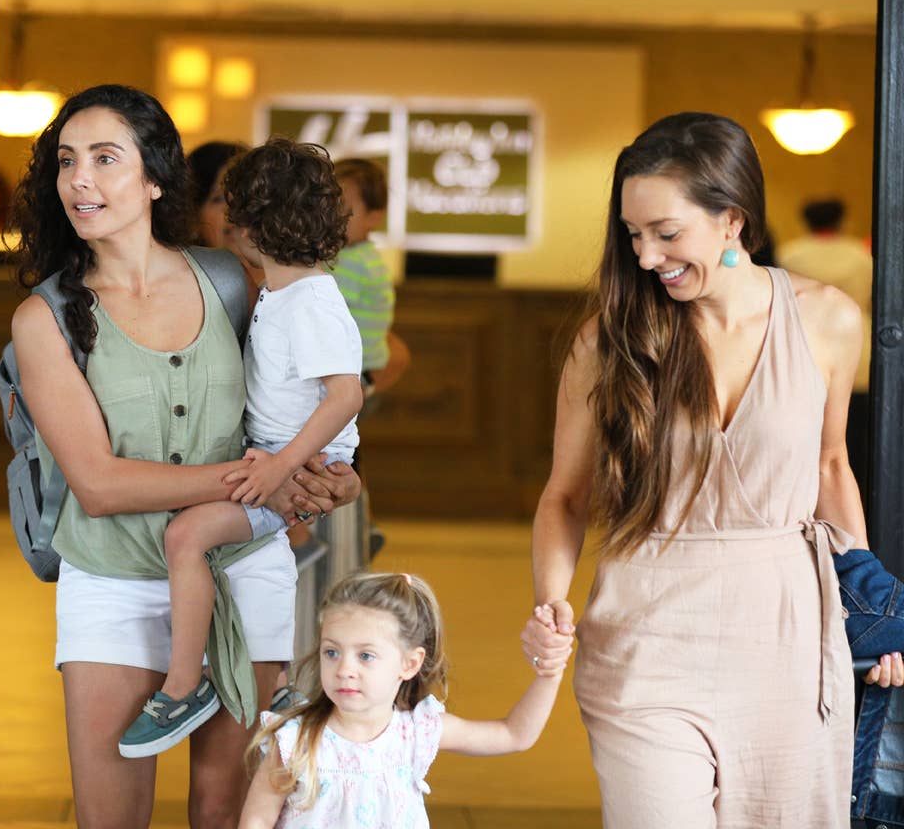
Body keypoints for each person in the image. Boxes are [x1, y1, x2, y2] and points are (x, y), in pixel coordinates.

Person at [520, 111, 903, 828]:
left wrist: (873, 617)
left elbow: (829, 467)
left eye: (666, 233)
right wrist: (551, 602)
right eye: (632, 234)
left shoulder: (827, 320)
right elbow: (565, 496)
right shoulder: (610, 338)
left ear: (732, 220)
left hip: (787, 640)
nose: (643, 256)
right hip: (644, 638)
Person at [8, 84, 361, 828]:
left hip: (243, 573)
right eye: (67, 162)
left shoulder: (232, 280)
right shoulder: (43, 319)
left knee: (228, 811)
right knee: (110, 817)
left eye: (105, 158)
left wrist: (329, 472)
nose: (80, 179)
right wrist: (271, 481)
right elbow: (98, 486)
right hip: (110, 581)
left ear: (155, 176)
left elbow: (299, 393)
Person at [120, 138, 365, 758]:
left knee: (185, 537)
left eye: (233, 210)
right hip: (277, 456)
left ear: (254, 223)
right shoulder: (280, 293)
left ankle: (184, 685)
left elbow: (344, 397)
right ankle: (274, 681)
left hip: (295, 462)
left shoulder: (311, 300)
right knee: (194, 539)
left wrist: (283, 465)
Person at [237, 571, 568, 829]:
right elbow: (256, 820)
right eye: (332, 652)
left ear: (409, 664)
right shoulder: (297, 740)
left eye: (366, 656)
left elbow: (514, 734)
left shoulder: (415, 732)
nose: (344, 669)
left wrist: (550, 675)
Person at [778, 198, 873, 491]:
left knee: (815, 442)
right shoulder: (860, 255)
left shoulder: (790, 254)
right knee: (859, 440)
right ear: (841, 220)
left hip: (807, 348)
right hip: (860, 348)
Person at [332, 158, 409, 396]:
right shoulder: (364, 257)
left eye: (342, 208)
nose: (331, 216)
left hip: (353, 377)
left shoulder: (352, 263)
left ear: (374, 217)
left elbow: (322, 313)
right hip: (363, 372)